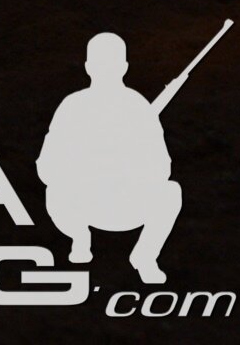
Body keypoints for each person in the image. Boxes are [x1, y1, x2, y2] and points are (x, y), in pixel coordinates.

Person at [43, 27, 191, 286]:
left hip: (127, 204)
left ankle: (144, 256)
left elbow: (162, 169)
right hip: (81, 204)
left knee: (171, 192)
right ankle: (79, 237)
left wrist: (128, 165)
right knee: (54, 191)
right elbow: (46, 167)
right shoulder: (72, 107)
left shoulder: (138, 108)